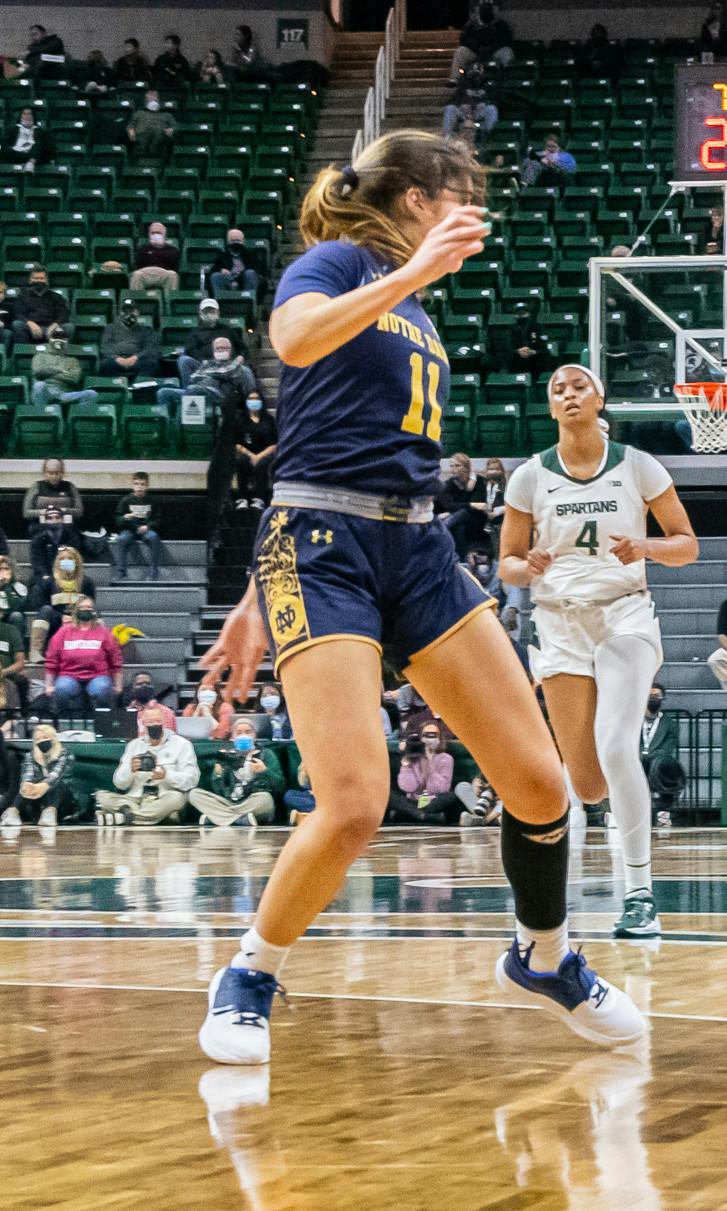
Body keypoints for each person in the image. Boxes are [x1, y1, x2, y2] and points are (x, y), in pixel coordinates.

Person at [194, 131, 644, 1066]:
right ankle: (251, 970)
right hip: (322, 547)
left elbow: (319, 436)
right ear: (412, 200)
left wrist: (248, 600)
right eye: (458, 194)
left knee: (537, 781)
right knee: (358, 798)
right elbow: (291, 340)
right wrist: (410, 274)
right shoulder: (337, 264)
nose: (470, 210)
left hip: (418, 543)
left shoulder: (413, 311)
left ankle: (546, 956)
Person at [501, 363, 697, 934]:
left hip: (625, 614)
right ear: (549, 405)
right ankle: (620, 814)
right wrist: (525, 565)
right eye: (557, 388)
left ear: (599, 397)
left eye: (578, 385)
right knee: (585, 782)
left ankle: (640, 894)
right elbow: (508, 560)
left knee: (616, 747)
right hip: (560, 624)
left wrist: (646, 547)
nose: (568, 394)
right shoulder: (530, 477)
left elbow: (687, 545)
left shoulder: (637, 465)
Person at [95, 706, 200, 825]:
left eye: (157, 721)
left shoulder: (182, 744)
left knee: (177, 798)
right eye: (150, 722)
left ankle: (126, 817)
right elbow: (119, 783)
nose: (154, 725)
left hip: (163, 797)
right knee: (102, 797)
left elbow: (192, 779)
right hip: (135, 800)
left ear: (164, 721)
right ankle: (152, 817)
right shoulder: (134, 745)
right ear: (143, 723)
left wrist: (166, 775)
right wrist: (130, 770)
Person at [190, 720, 282, 827]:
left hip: (253, 801)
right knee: (194, 794)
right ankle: (240, 819)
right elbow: (219, 791)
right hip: (229, 801)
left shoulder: (266, 754)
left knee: (266, 799)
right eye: (239, 733)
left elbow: (280, 786)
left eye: (248, 732)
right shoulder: (225, 755)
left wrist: (264, 771)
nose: (244, 736)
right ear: (232, 738)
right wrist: (217, 776)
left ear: (254, 736)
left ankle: (217, 817)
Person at [43, 595, 122, 717]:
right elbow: (51, 660)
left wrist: (118, 685)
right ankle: (65, 726)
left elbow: (116, 661)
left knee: (102, 689)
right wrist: (48, 685)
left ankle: (100, 726)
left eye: (89, 608)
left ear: (94, 612)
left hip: (98, 676)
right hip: (69, 675)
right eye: (82, 608)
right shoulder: (64, 632)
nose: (86, 610)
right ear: (76, 611)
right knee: (61, 689)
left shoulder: (104, 632)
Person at [27, 546, 94, 663]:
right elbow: (42, 607)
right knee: (46, 610)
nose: (66, 561)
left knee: (97, 620)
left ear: (77, 562)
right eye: (62, 559)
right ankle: (35, 652)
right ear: (58, 562)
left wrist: (75, 618)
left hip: (79, 622)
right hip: (55, 624)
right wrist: (61, 617)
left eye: (70, 558)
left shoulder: (87, 583)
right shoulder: (49, 582)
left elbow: (90, 606)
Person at [388, 724, 463, 823]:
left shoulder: (446, 759)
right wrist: (406, 765)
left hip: (434, 803)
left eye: (433, 735)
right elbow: (409, 788)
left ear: (439, 739)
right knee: (390, 796)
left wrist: (428, 761)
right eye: (426, 735)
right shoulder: (412, 757)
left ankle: (414, 814)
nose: (429, 739)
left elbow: (441, 788)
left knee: (450, 797)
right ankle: (423, 815)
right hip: (413, 802)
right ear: (421, 738)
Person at [10, 723, 77, 826]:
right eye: (37, 739)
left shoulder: (66, 755)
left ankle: (50, 812)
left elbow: (55, 775)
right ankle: (12, 812)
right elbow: (27, 775)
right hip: (37, 801)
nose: (41, 741)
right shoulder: (30, 756)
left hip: (62, 803)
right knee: (27, 785)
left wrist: (42, 785)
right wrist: (27, 785)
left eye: (45, 737)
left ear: (53, 738)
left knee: (55, 784)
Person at [27, 454, 87, 568]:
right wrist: (43, 512)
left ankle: (67, 570)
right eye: (50, 473)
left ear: (62, 472)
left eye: (57, 473)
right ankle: (44, 570)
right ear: (45, 473)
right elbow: (26, 512)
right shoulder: (36, 486)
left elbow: (79, 511)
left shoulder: (69, 487)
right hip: (42, 526)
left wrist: (64, 510)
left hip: (65, 528)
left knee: (70, 538)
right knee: (43, 538)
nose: (54, 476)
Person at [641, 687, 686, 825]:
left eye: (657, 696)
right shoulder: (634, 719)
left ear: (662, 700)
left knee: (668, 766)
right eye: (651, 696)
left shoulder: (669, 723)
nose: (653, 699)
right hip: (636, 759)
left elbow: (668, 747)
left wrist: (649, 756)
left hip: (657, 761)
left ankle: (663, 812)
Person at [112, 471, 165, 581]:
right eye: (136, 484)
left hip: (145, 530)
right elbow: (118, 520)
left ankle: (153, 571)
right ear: (132, 485)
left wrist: (148, 527)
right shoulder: (126, 500)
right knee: (122, 539)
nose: (139, 487)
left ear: (147, 486)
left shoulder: (152, 501)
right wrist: (126, 517)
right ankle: (121, 572)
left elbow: (158, 520)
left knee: (154, 537)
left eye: (142, 484)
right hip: (130, 530)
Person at [29, 326, 97, 411]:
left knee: (91, 394)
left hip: (64, 394)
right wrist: (60, 370)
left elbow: (74, 378)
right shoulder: (40, 356)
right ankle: (40, 417)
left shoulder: (72, 360)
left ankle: (78, 422)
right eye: (56, 337)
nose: (59, 341)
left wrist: (48, 373)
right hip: (46, 391)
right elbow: (37, 372)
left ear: (67, 342)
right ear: (50, 340)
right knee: (39, 385)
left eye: (62, 338)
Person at [233, 391, 278, 509]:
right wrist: (250, 455)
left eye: (256, 398)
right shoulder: (240, 420)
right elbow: (236, 443)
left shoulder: (269, 420)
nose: (254, 401)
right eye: (251, 398)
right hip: (246, 453)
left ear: (261, 401)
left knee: (262, 464)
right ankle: (242, 498)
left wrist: (259, 456)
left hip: (265, 454)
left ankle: (259, 499)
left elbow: (274, 444)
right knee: (241, 462)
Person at [101, 299, 161, 378]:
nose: (128, 314)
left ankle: (138, 386)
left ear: (137, 313)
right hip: (116, 360)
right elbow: (105, 347)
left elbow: (149, 348)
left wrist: (135, 357)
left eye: (131, 311)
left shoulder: (146, 330)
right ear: (120, 313)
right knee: (106, 364)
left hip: (138, 360)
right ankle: (116, 386)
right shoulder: (110, 328)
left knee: (152, 364)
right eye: (125, 311)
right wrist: (117, 358)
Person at [452, 3, 514, 78]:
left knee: (507, 51)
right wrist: (476, 47)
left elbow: (506, 39)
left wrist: (492, 47)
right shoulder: (471, 25)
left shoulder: (500, 25)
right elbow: (464, 39)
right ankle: (455, 78)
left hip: (494, 52)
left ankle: (510, 77)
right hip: (476, 52)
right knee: (460, 51)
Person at [442, 64, 498, 139]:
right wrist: (464, 111)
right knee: (450, 108)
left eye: (477, 74)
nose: (475, 77)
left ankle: (488, 135)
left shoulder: (487, 86)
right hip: (464, 114)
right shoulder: (462, 85)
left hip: (479, 113)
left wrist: (481, 105)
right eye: (473, 73)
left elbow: (492, 101)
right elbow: (453, 101)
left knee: (492, 109)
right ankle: (447, 137)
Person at [208, 229, 267, 297]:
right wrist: (221, 270)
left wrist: (239, 278)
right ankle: (220, 300)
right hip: (228, 280)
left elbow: (259, 270)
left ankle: (249, 299)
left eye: (238, 241)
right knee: (215, 276)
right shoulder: (222, 256)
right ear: (227, 242)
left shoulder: (251, 255)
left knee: (250, 273)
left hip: (244, 281)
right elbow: (213, 270)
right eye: (232, 241)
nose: (235, 243)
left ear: (243, 241)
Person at [129, 220, 182, 291]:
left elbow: (174, 265)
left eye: (159, 233)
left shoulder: (172, 250)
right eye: (153, 233)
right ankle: (137, 300)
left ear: (165, 235)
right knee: (137, 274)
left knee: (172, 275)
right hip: (146, 273)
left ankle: (169, 300)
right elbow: (138, 264)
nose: (156, 235)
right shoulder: (142, 248)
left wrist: (160, 247)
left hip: (164, 273)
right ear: (149, 235)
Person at [126, 91, 175, 160]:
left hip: (160, 139)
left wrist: (171, 129)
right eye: (150, 100)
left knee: (158, 133)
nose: (153, 102)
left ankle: (153, 149)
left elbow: (174, 126)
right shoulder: (138, 114)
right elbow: (130, 125)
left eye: (155, 100)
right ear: (145, 102)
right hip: (141, 138)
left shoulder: (167, 115)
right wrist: (130, 131)